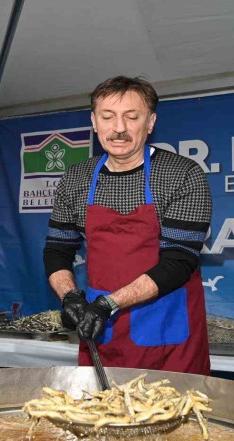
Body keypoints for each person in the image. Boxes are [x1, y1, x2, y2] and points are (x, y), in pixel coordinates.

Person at [43, 76, 213, 375]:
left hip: (167, 329)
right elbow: (58, 249)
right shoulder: (76, 178)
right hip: (100, 329)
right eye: (108, 117)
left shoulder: (182, 174)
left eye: (132, 117)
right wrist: (69, 296)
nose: (119, 128)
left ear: (151, 122)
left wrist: (108, 304)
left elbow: (179, 260)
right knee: (100, 404)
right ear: (94, 122)